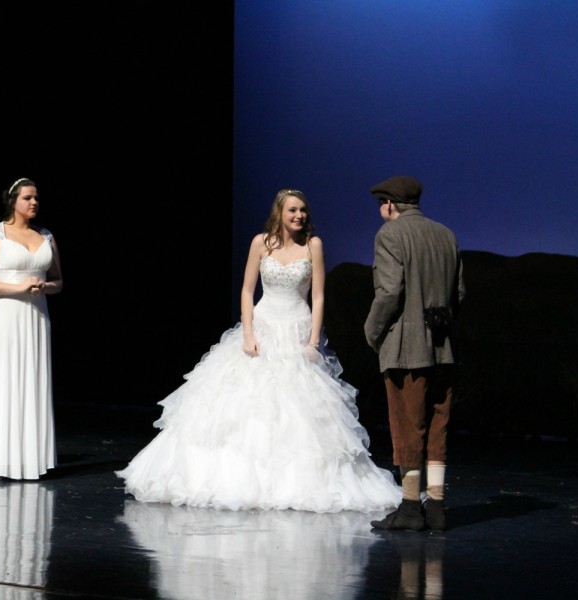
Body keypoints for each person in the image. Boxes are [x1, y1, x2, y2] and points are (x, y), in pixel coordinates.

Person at [115, 189, 402, 512]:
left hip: (296, 326)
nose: (299, 216)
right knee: (244, 404)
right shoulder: (260, 243)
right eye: (293, 210)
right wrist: (248, 333)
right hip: (264, 326)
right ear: (279, 212)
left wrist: (312, 341)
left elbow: (318, 296)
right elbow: (247, 290)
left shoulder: (313, 246)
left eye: (303, 210)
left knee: (297, 409)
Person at [364, 175, 465, 531]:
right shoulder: (446, 235)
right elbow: (459, 294)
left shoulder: (390, 235)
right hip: (444, 348)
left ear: (390, 203)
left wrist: (372, 331)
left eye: (381, 203)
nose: (380, 210)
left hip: (407, 347)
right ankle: (435, 506)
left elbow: (389, 293)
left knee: (408, 424)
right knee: (438, 423)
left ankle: (410, 507)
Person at [0, 177, 63, 481]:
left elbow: (58, 282)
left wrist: (43, 286)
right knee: (6, 380)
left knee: (33, 380)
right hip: (5, 315)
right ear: (13, 201)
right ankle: (2, 459)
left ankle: (31, 459)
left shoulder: (46, 235)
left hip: (36, 315)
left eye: (36, 198)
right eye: (27, 198)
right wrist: (18, 287)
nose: (34, 202)